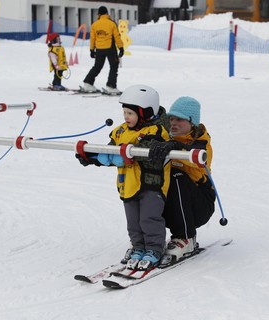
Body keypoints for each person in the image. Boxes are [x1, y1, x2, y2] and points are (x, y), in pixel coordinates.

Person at [76, 85, 171, 270]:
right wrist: (92, 156)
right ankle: (138, 247)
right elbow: (111, 153)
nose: (126, 117)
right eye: (124, 112)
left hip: (151, 185)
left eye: (130, 113)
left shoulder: (157, 132)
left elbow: (146, 152)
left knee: (149, 219)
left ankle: (153, 249)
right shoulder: (120, 131)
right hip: (127, 184)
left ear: (145, 113)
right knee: (133, 221)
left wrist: (128, 153)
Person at [149, 97, 216, 262]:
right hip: (173, 203)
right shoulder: (167, 140)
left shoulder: (201, 143)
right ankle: (148, 238)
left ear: (192, 122)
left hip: (199, 204)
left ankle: (186, 237)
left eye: (179, 119)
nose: (173, 123)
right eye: (171, 118)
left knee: (177, 176)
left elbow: (198, 159)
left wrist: (177, 147)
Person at [82, 6, 124, 94]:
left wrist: (92, 50)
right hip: (110, 48)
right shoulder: (111, 23)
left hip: (99, 49)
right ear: (106, 13)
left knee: (97, 66)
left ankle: (88, 83)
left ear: (99, 14)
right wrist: (121, 48)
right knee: (113, 66)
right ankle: (111, 86)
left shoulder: (95, 24)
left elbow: (92, 38)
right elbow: (117, 36)